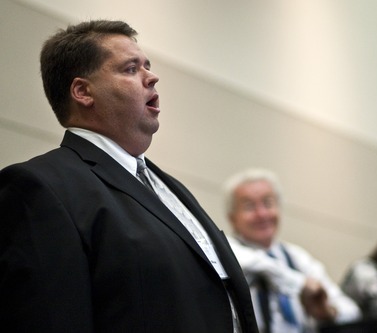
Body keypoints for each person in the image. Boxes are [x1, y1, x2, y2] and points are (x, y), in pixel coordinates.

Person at [0, 20, 258, 333]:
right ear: (83, 91)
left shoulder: (169, 187)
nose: (153, 77)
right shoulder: (40, 187)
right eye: (131, 68)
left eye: (147, 66)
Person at [223, 168, 361, 333]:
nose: (262, 214)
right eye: (249, 206)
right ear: (232, 218)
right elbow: (259, 265)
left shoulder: (297, 257)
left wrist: (327, 311)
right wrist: (301, 285)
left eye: (268, 203)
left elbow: (351, 311)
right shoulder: (225, 253)